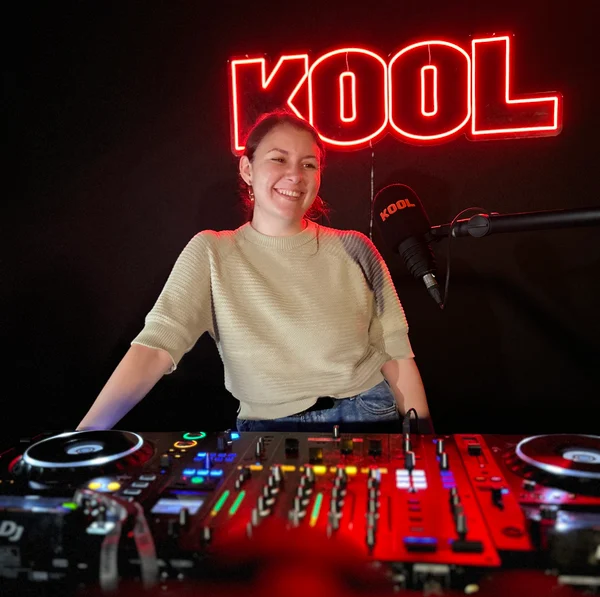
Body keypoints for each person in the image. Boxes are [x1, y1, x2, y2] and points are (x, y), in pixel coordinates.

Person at [76, 109, 433, 434]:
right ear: (247, 169)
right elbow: (154, 350)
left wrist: (427, 446)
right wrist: (83, 438)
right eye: (279, 159)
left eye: (309, 164)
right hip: (267, 430)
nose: (295, 175)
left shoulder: (356, 247)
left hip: (367, 415)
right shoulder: (212, 252)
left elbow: (396, 354)